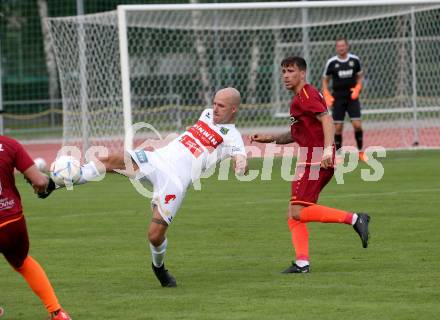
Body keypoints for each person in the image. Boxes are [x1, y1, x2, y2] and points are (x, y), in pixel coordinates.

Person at [41, 87, 248, 287]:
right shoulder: (206, 114)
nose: (214, 109)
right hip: (156, 160)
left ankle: (159, 268)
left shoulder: (232, 137)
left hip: (174, 182)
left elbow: (240, 157)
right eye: (214, 103)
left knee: (154, 235)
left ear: (233, 109)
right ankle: (52, 184)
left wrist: (240, 164)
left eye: (220, 105)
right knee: (112, 160)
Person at [250, 57, 370, 273]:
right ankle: (302, 262)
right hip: (312, 157)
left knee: (297, 211)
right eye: (284, 71)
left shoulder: (306, 94)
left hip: (315, 159)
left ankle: (354, 218)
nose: (286, 75)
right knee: (294, 212)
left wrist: (326, 150)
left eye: (290, 71)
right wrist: (270, 138)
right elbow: (296, 134)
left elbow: (326, 119)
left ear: (302, 73)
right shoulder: (299, 99)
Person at [0, 136, 71, 320]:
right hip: (12, 220)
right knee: (23, 262)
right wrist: (46, 184)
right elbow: (39, 182)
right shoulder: (10, 145)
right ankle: (57, 312)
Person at [322, 37, 366, 161]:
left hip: (352, 97)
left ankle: (360, 151)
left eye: (343, 46)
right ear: (336, 48)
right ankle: (339, 154)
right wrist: (326, 93)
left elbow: (360, 76)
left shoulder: (354, 60)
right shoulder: (331, 62)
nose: (341, 48)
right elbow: (325, 79)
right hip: (338, 98)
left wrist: (358, 87)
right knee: (338, 128)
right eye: (338, 46)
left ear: (347, 46)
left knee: (357, 125)